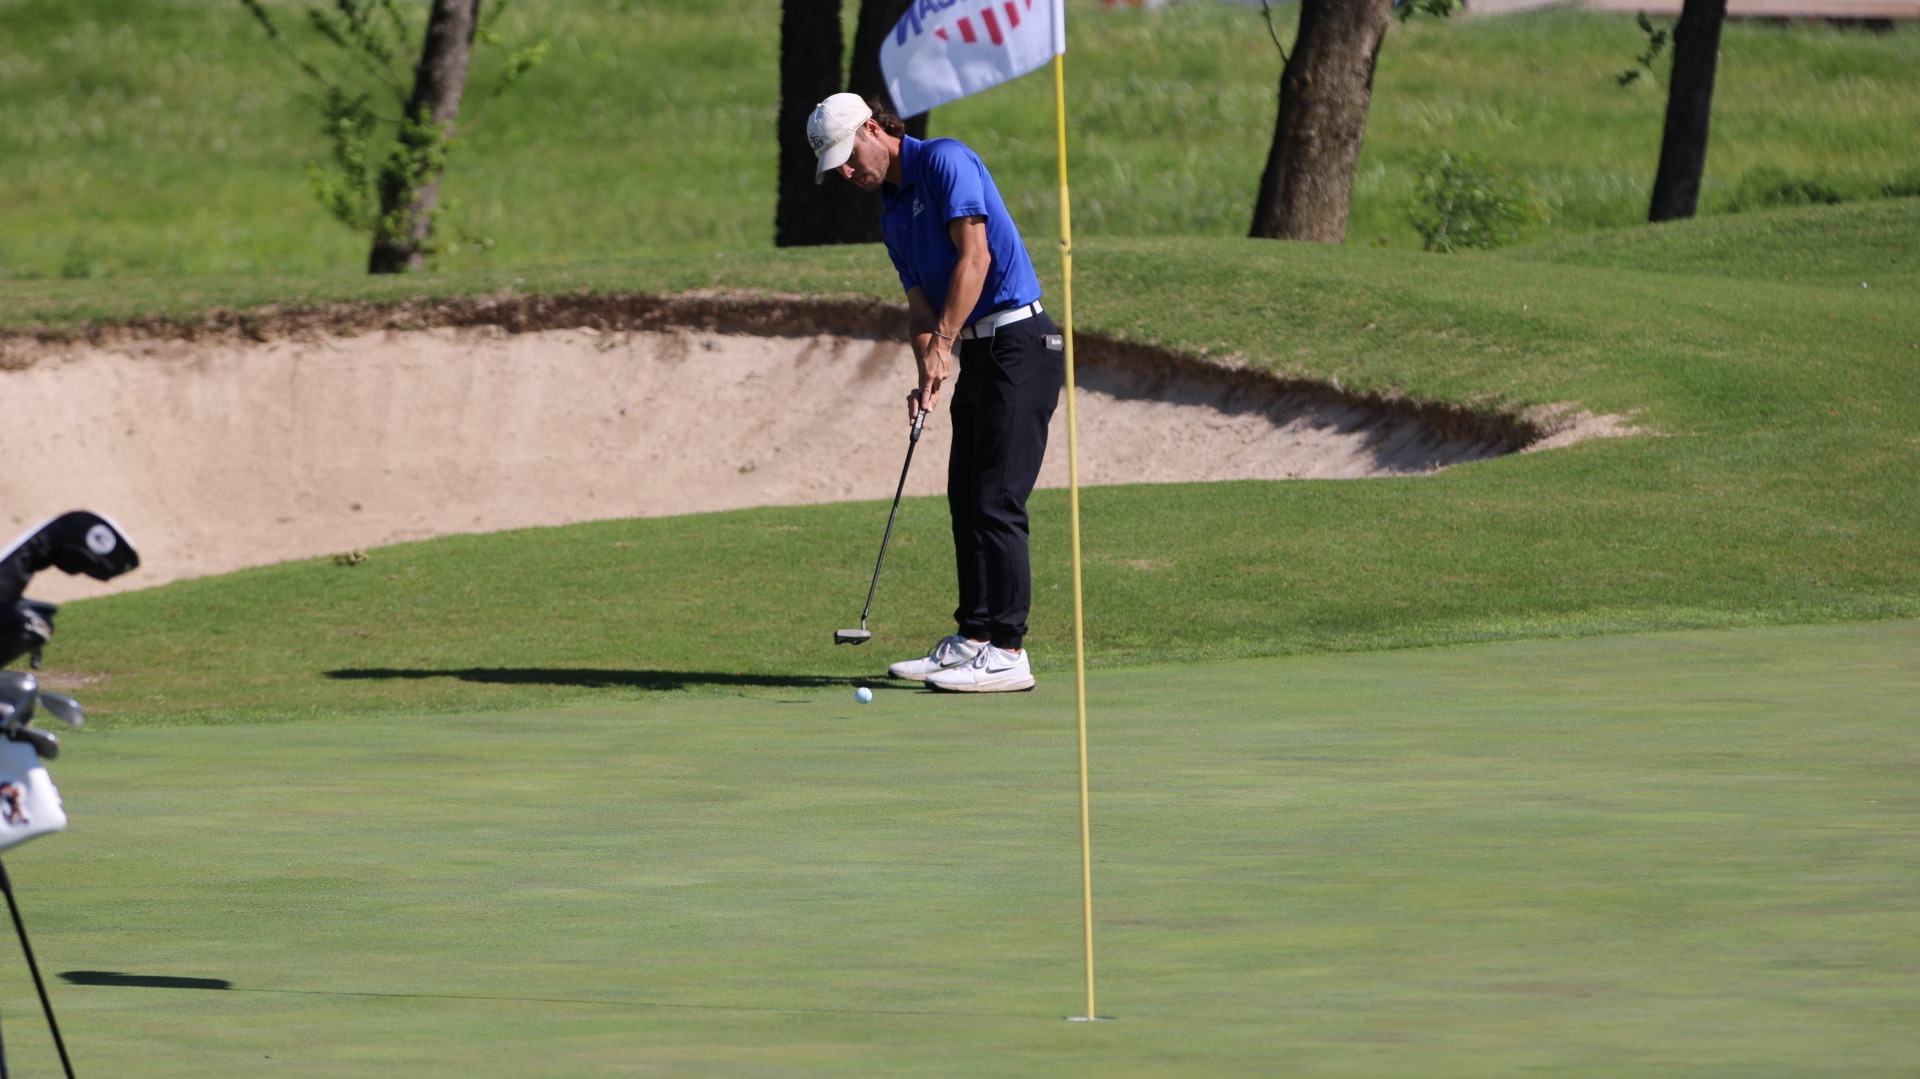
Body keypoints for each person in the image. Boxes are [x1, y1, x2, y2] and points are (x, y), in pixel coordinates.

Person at [808, 92, 1063, 693]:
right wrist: (929, 361)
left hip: (1019, 342)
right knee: (965, 497)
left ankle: (1008, 649)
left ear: (874, 129)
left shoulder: (945, 161)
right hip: (977, 349)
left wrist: (944, 342)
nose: (847, 173)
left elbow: (976, 259)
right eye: (836, 167)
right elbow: (920, 302)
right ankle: (973, 638)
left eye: (849, 157)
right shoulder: (893, 210)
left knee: (998, 499)